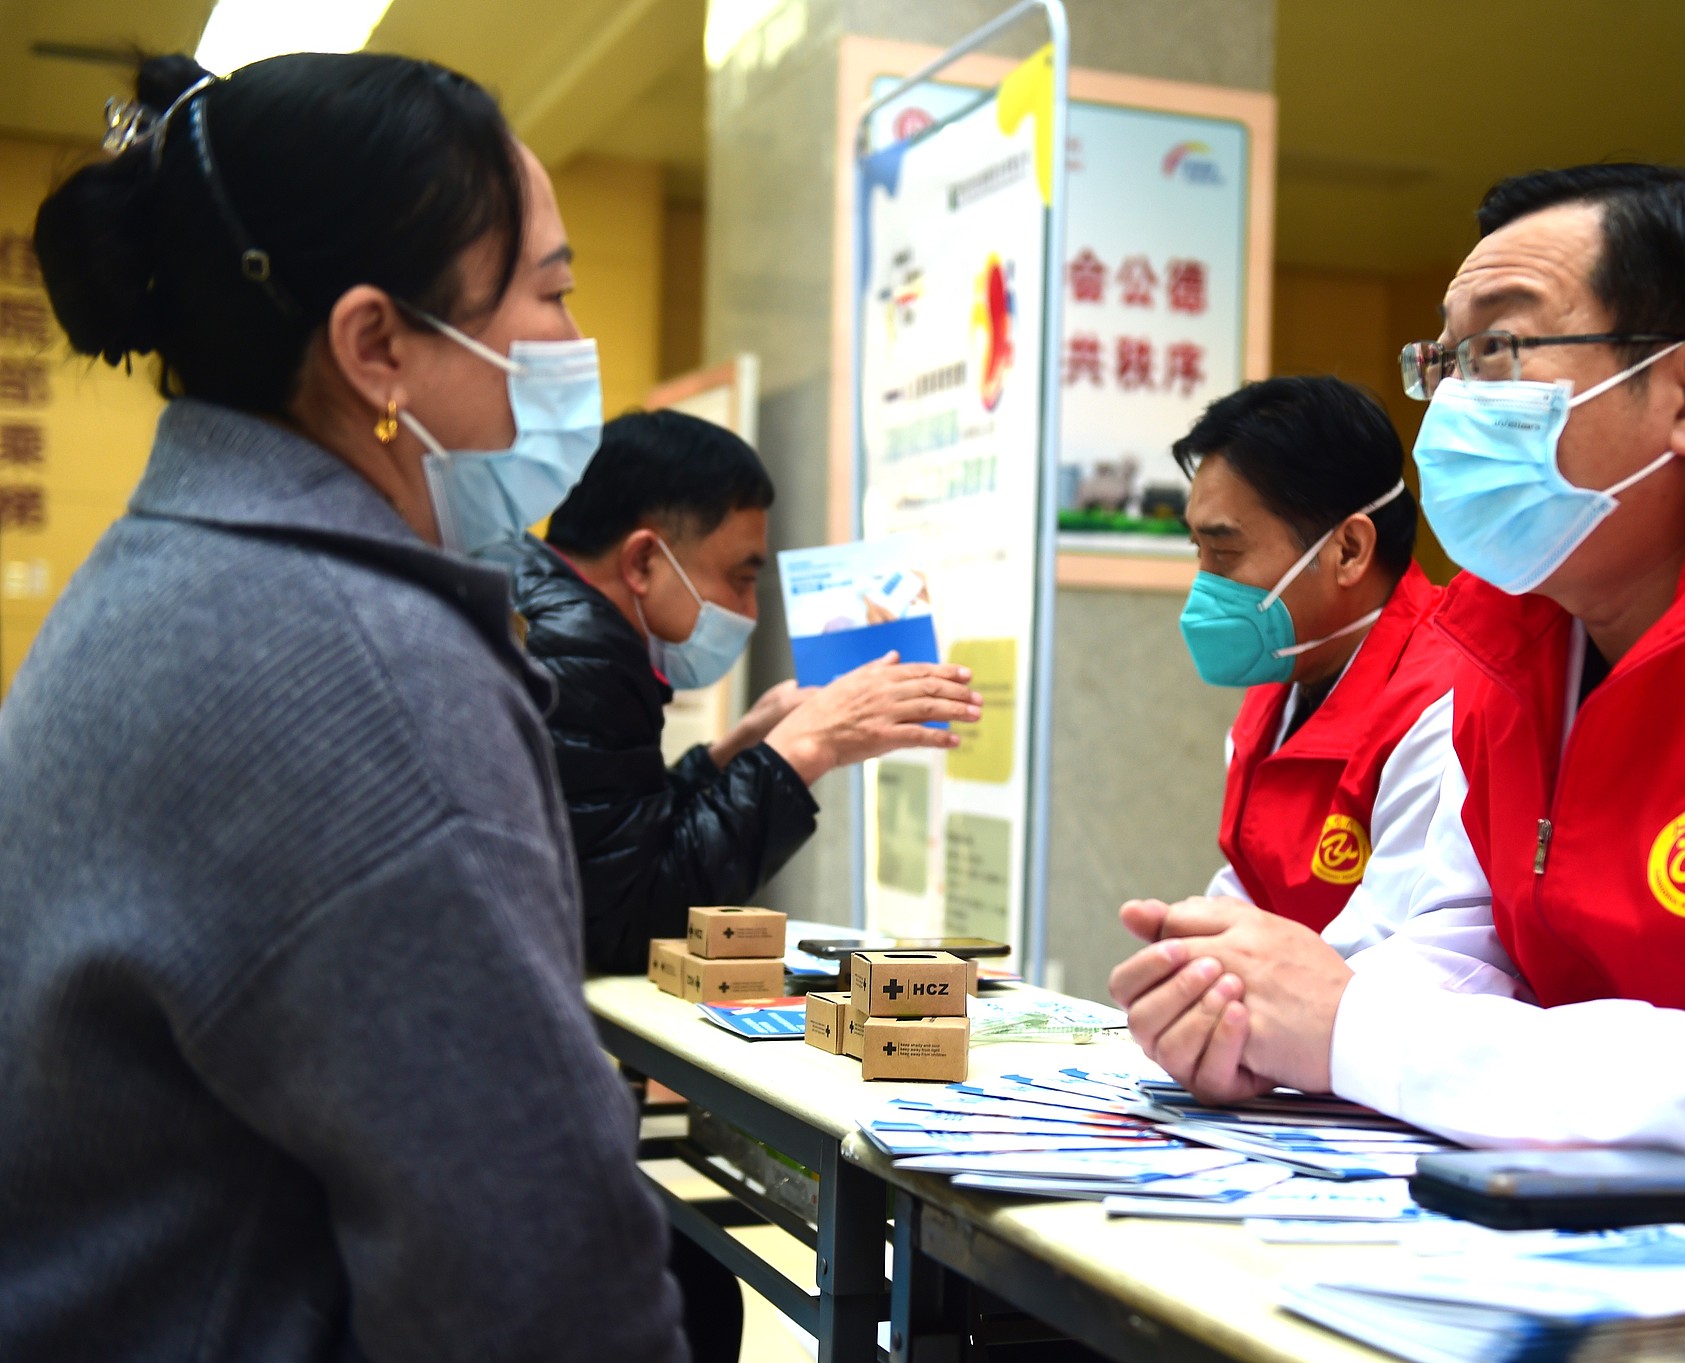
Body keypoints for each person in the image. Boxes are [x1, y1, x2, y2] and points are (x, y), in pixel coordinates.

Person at [1109, 164, 1685, 1270]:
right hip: (1579, 1261)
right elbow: (1448, 952)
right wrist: (1256, 1024)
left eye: (1499, 351)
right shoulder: (1514, 647)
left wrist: (1351, 1029)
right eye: (1443, 361)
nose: (1451, 404)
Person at [0, 52, 698, 1360]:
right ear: (378, 346)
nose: (570, 346)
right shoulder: (365, 671)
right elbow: (541, 1284)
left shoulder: (179, 570)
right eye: (548, 292)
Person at [511, 409, 982, 975]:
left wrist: (737, 748)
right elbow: (629, 923)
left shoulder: (546, 608)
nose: (750, 612)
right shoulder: (580, 646)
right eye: (740, 577)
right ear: (642, 561)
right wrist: (802, 750)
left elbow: (615, 835)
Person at [1173, 376, 1457, 938]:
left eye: (1225, 552)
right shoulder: (1281, 680)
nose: (1203, 587)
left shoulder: (1446, 703)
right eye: (1197, 551)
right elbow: (1251, 885)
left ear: (1348, 550)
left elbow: (1390, 946)